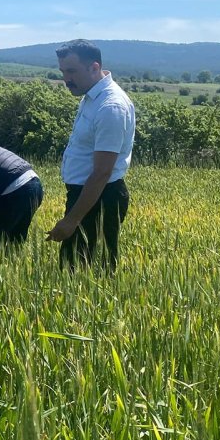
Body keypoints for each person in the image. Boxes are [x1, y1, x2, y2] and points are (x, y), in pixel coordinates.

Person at [45, 39, 135, 271]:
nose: (66, 79)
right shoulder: (91, 97)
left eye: (72, 71)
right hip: (88, 196)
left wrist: (72, 220)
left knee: (88, 271)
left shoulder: (110, 107)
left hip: (100, 198)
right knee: (75, 268)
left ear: (94, 68)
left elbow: (102, 172)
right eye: (63, 71)